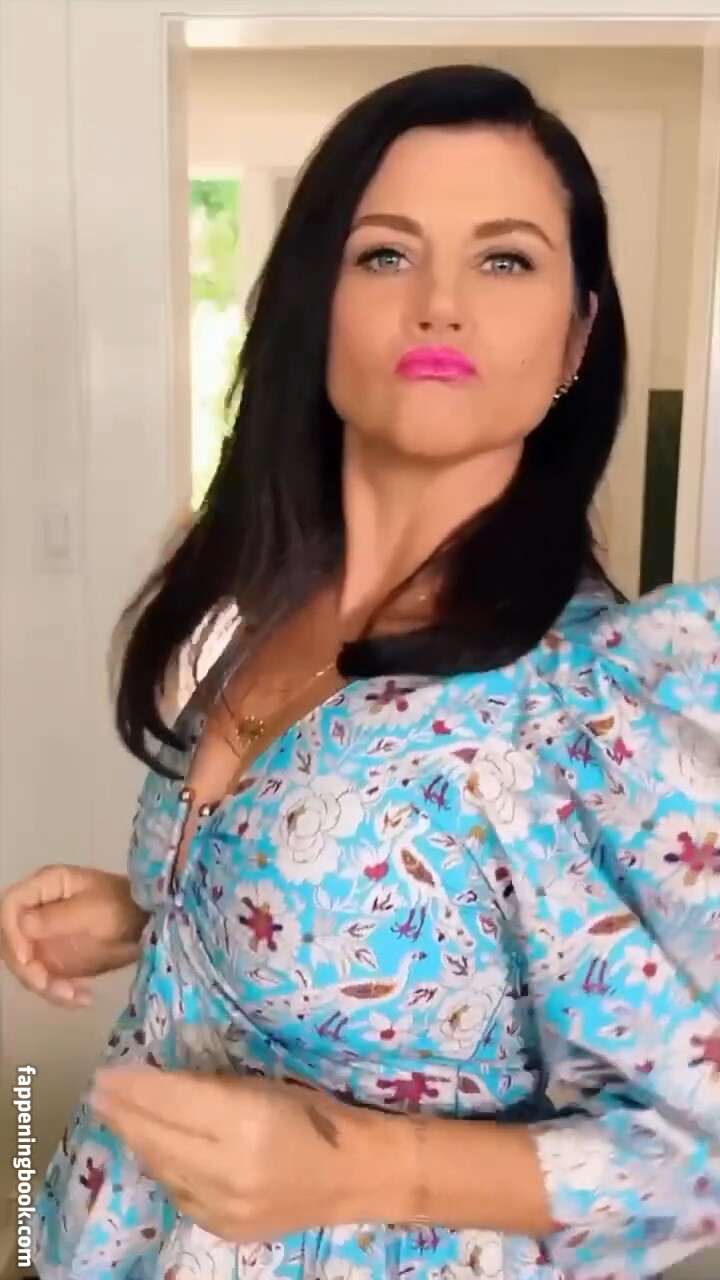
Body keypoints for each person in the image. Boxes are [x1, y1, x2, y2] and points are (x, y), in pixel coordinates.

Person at [2, 62, 719, 1280]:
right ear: (315, 303)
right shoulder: (265, 600)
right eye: (385, 252)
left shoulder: (589, 698)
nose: (439, 303)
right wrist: (154, 909)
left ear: (577, 337)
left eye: (505, 260)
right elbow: (374, 922)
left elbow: (701, 1148)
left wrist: (360, 1167)